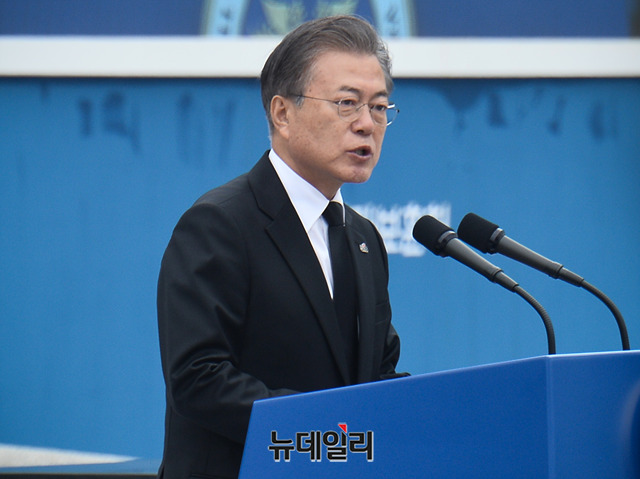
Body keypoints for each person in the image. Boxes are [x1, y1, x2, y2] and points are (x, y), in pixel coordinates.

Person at [157, 14, 405, 479]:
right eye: (347, 103)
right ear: (282, 113)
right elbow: (199, 379)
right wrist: (329, 432)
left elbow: (376, 373)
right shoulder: (220, 224)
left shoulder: (364, 238)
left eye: (378, 107)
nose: (366, 125)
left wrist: (428, 412)